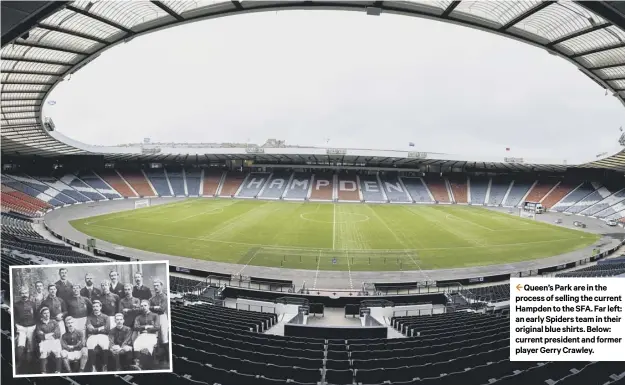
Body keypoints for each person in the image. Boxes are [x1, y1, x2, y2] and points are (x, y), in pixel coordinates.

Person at [14, 286, 37, 373]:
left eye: (26, 293)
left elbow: (36, 315)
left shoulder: (33, 304)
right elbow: (14, 317)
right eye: (23, 293)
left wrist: (34, 326)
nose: (24, 295)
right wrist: (17, 326)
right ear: (20, 294)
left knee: (31, 346)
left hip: (31, 327)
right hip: (21, 327)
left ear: (28, 293)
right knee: (21, 345)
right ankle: (19, 363)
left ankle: (30, 364)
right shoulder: (16, 305)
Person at [132, 300, 160, 370]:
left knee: (147, 345)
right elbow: (135, 327)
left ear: (149, 306)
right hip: (142, 335)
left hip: (152, 335)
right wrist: (146, 327)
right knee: (136, 343)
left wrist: (143, 328)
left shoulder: (155, 315)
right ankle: (137, 363)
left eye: (145, 305)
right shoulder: (138, 317)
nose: (143, 307)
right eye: (142, 306)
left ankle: (142, 365)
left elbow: (157, 327)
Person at [35, 307, 62, 374]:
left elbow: (58, 333)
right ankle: (43, 371)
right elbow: (40, 336)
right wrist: (51, 334)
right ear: (41, 315)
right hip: (44, 341)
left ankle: (58, 371)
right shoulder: (39, 324)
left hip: (54, 340)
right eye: (45, 313)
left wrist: (46, 335)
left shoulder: (54, 322)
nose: (47, 315)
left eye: (48, 313)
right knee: (43, 353)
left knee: (58, 352)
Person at [86, 300, 110, 372]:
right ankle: (93, 367)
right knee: (90, 345)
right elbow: (90, 330)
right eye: (93, 307)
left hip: (103, 335)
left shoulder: (106, 317)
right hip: (93, 336)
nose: (95, 308)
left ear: (100, 307)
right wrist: (100, 328)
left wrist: (95, 329)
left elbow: (107, 329)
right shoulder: (89, 317)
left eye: (97, 306)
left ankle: (104, 366)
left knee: (105, 345)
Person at [149, 279, 169, 350]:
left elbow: (162, 309)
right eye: (154, 286)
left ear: (161, 286)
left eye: (157, 285)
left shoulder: (164, 297)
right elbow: (149, 308)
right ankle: (157, 354)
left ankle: (166, 355)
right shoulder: (152, 299)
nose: (156, 287)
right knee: (155, 335)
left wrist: (153, 308)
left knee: (164, 335)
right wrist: (155, 307)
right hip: (154, 317)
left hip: (162, 316)